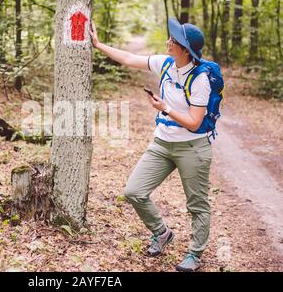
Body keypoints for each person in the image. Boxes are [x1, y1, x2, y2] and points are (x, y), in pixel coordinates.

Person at [90, 17, 213, 272]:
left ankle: (195, 254)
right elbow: (128, 59)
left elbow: (194, 122)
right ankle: (162, 232)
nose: (169, 40)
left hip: (192, 148)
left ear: (185, 49)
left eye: (175, 39)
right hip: (162, 143)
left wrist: (165, 108)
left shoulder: (201, 79)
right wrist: (98, 44)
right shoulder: (166, 63)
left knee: (197, 204)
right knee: (134, 191)